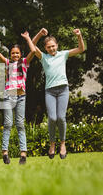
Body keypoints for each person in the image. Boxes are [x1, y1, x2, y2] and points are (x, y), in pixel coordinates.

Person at [0, 28, 47, 165]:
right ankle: (5, 152)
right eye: (13, 53)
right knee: (8, 124)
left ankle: (23, 154)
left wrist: (28, 38)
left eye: (17, 53)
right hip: (8, 96)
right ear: (10, 55)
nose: (15, 55)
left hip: (21, 96)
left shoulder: (24, 62)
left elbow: (33, 51)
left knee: (20, 124)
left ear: (20, 54)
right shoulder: (7, 63)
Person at [34, 29, 85, 159]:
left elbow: (81, 49)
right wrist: (40, 34)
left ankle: (62, 144)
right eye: (48, 47)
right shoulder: (44, 58)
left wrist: (79, 36)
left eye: (53, 46)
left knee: (61, 118)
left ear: (57, 46)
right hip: (50, 91)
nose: (51, 48)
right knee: (52, 118)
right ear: (45, 48)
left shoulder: (63, 54)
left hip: (63, 90)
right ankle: (52, 144)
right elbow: (32, 46)